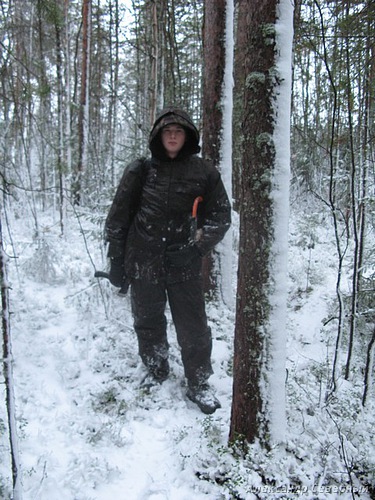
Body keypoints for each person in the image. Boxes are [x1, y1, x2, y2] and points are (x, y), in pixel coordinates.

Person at [104, 106, 231, 414]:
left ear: (187, 137)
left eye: (178, 132)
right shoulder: (141, 170)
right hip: (143, 261)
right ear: (158, 137)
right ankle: (155, 368)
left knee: (194, 327)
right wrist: (117, 263)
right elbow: (118, 218)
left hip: (183, 264)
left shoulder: (204, 172)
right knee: (147, 321)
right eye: (167, 132)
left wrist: (196, 248)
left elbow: (220, 217)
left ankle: (199, 383)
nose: (173, 137)